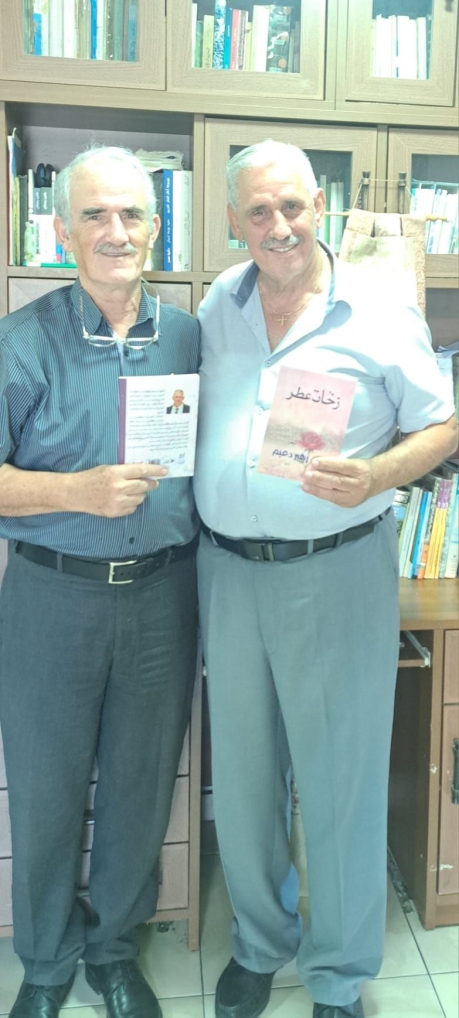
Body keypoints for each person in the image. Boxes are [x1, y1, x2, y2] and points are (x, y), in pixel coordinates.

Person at [193, 139, 457, 1018]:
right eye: (258, 211)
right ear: (232, 221)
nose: (278, 226)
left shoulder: (378, 312)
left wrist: (379, 474)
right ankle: (260, 945)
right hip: (227, 574)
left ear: (319, 207)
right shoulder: (217, 303)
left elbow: (441, 425)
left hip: (336, 572)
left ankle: (339, 974)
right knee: (244, 775)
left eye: (292, 206)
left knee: (339, 776)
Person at [0, 146, 200, 1018]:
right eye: (94, 215)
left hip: (163, 596)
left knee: (138, 786)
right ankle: (46, 965)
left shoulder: (189, 337)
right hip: (51, 599)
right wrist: (74, 491)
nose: (116, 232)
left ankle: (113, 953)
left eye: (132, 214)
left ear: (156, 227)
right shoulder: (19, 342)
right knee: (45, 791)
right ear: (63, 230)